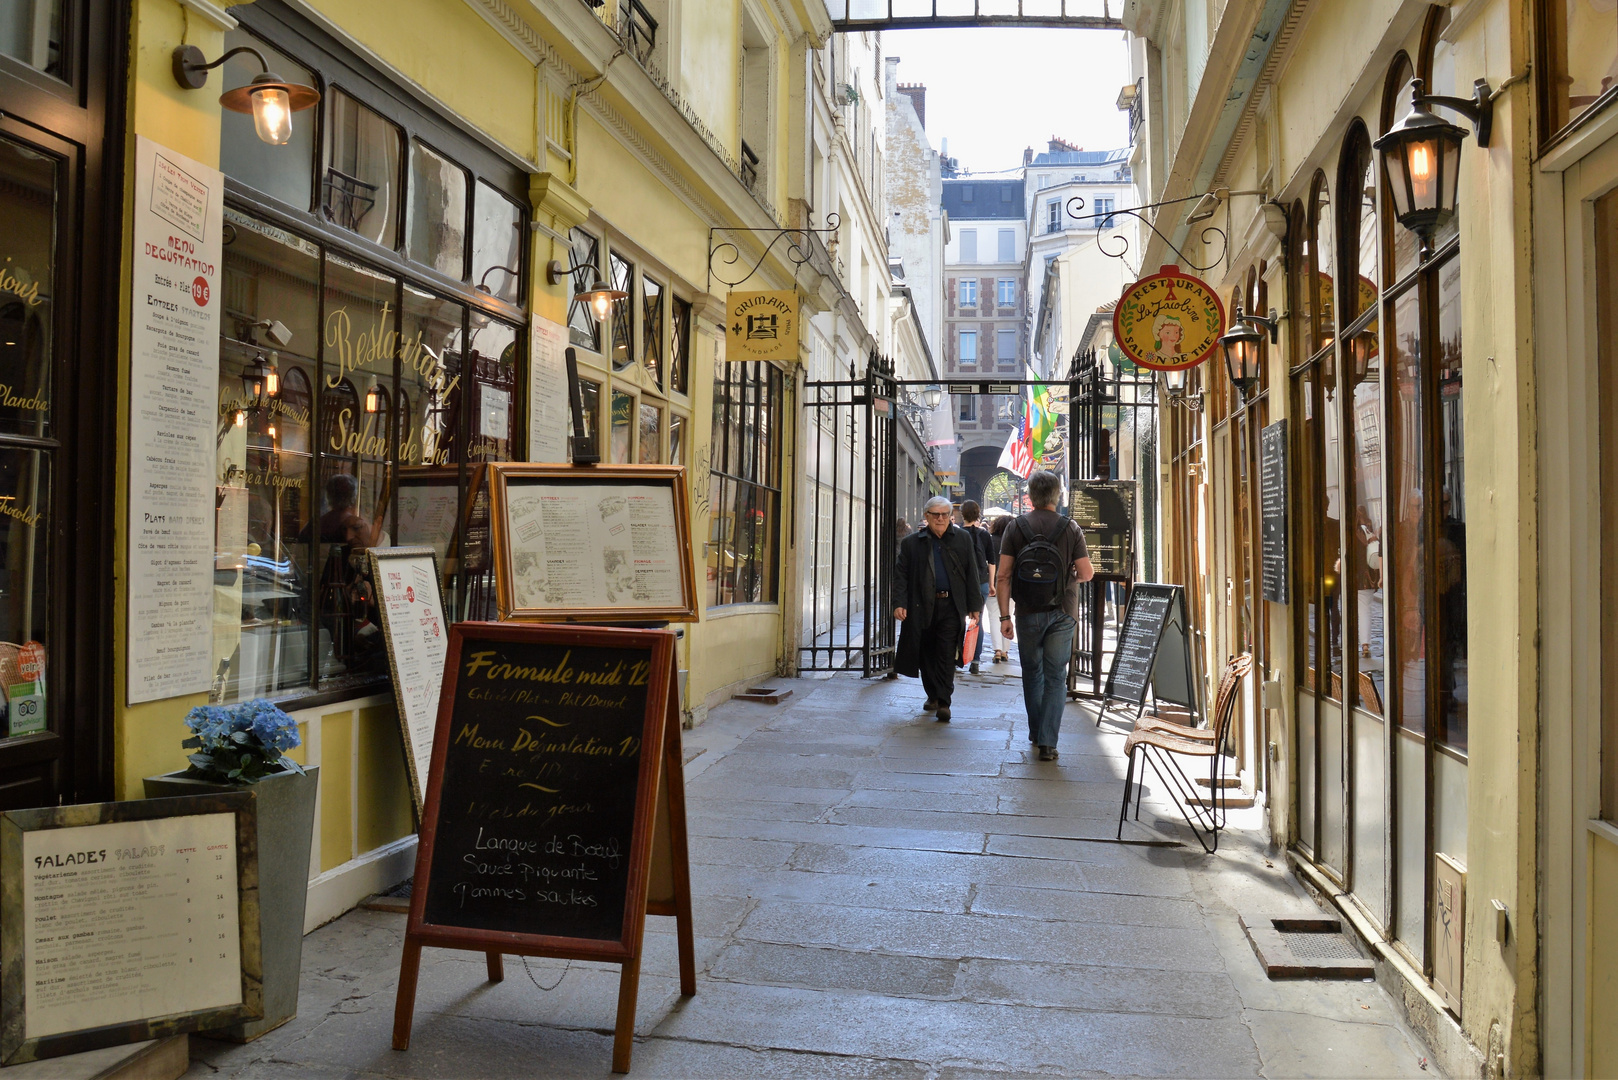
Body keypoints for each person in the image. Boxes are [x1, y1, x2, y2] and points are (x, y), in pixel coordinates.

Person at [996, 470, 1094, 761]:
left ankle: (1036, 730)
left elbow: (1003, 576)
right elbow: (1087, 573)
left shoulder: (1016, 527)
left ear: (1030, 496)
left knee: (1032, 672)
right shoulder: (1071, 528)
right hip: (1063, 611)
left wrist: (1004, 617)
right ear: (1057, 495)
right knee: (1055, 676)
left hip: (1027, 611)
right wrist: (1070, 577)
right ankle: (1048, 742)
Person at [895, 496, 981, 723]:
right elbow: (901, 576)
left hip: (951, 606)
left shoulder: (962, 539)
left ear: (951, 517)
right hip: (921, 606)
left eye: (945, 514)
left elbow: (971, 572)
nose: (941, 518)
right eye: (935, 514)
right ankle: (932, 694)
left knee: (945, 653)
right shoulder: (912, 543)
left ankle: (944, 701)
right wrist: (899, 603)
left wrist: (974, 606)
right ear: (927, 517)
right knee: (926, 653)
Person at [960, 500, 997, 675]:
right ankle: (975, 660)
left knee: (957, 620)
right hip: (981, 582)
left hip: (960, 583)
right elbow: (992, 561)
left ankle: (956, 656)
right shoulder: (984, 535)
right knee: (978, 621)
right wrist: (991, 583)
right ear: (978, 514)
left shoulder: (956, 534)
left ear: (962, 514)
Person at [988, 514, 1012, 663]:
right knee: (1009, 615)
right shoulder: (1013, 541)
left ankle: (997, 649)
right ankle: (1005, 650)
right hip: (1010, 584)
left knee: (993, 617)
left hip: (993, 582)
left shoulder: (991, 540)